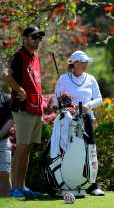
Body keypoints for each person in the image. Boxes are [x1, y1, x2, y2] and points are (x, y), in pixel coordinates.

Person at [1, 25, 45, 198]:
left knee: (28, 148)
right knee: (22, 148)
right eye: (34, 37)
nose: (37, 40)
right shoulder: (18, 56)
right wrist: (20, 90)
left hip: (36, 108)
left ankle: (22, 186)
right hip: (23, 109)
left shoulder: (37, 57)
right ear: (24, 38)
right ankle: (15, 189)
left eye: (39, 37)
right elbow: (5, 75)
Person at [54, 50, 104, 196]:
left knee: (90, 151)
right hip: (68, 122)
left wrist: (89, 105)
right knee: (70, 151)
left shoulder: (91, 79)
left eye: (86, 62)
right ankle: (68, 183)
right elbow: (57, 102)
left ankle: (93, 184)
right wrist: (69, 106)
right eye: (82, 62)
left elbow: (99, 99)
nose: (85, 64)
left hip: (87, 120)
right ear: (74, 63)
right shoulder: (63, 79)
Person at [0, 92, 14, 197]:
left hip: (3, 141)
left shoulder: (6, 99)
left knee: (5, 174)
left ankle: (6, 202)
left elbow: (10, 120)